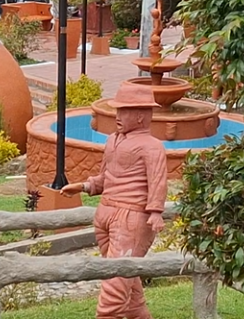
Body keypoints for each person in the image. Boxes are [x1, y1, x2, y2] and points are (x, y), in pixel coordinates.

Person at [61, 81, 167, 319]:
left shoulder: (152, 147)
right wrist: (84, 186)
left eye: (125, 111)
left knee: (114, 290)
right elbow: (105, 176)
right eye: (118, 110)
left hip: (131, 219)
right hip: (105, 213)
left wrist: (156, 212)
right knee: (126, 283)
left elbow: (158, 182)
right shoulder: (112, 140)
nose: (118, 115)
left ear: (141, 116)